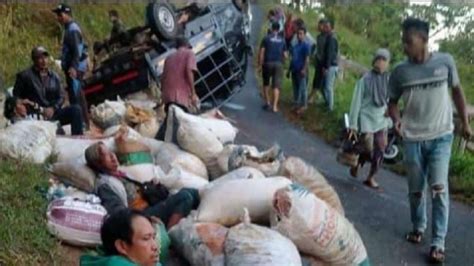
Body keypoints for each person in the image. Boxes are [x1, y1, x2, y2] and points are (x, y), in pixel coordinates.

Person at [388, 18, 472, 263]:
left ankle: (438, 243)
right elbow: (392, 102)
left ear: (424, 40)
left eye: (409, 41)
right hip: (412, 137)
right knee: (415, 191)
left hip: (441, 137)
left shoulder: (445, 62)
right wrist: (396, 120)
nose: (405, 46)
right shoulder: (400, 71)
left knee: (438, 188)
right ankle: (418, 227)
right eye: (403, 41)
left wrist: (465, 123)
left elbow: (457, 91)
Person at [85, 139, 199, 229]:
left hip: (151, 206)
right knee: (184, 197)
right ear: (98, 163)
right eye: (106, 155)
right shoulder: (105, 184)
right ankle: (169, 238)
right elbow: (118, 211)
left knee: (192, 192)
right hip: (141, 216)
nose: (112, 157)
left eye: (111, 153)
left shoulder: (120, 174)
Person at [12, 46, 84, 135]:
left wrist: (53, 108)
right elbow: (16, 97)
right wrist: (28, 107)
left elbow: (61, 96)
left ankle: (77, 140)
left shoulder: (54, 76)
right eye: (40, 58)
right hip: (36, 116)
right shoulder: (25, 76)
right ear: (34, 60)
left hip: (52, 113)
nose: (44, 60)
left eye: (45, 57)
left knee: (76, 110)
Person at [348, 48, 391, 190]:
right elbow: (356, 101)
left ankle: (371, 177)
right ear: (374, 61)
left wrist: (390, 113)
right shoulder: (365, 79)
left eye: (384, 60)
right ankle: (358, 163)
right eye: (379, 59)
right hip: (366, 116)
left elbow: (392, 100)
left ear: (387, 63)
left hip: (381, 118)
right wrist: (353, 124)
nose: (381, 62)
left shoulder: (389, 80)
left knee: (380, 148)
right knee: (367, 145)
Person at [53, 3, 90, 128]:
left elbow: (77, 51)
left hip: (75, 69)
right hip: (72, 68)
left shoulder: (72, 29)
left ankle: (83, 124)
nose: (58, 17)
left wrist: (73, 67)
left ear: (67, 14)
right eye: (57, 15)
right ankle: (84, 123)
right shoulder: (68, 28)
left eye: (60, 14)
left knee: (76, 97)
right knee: (77, 95)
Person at [80, 209, 161, 266]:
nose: (155, 247)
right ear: (122, 246)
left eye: (153, 237)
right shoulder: (116, 264)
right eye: (146, 238)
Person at [155, 36, 198, 140]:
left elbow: (163, 78)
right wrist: (193, 93)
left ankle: (159, 141)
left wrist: (162, 96)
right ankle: (159, 141)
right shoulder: (189, 53)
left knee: (171, 120)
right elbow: (189, 71)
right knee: (181, 125)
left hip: (168, 96)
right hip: (179, 97)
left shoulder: (168, 58)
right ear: (187, 45)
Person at [258, 22, 288, 112]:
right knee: (276, 86)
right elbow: (285, 55)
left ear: (271, 28)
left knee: (266, 84)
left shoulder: (266, 38)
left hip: (268, 63)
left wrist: (260, 64)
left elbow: (262, 52)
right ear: (279, 30)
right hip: (278, 64)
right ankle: (275, 107)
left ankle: (267, 103)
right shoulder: (282, 40)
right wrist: (283, 63)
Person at [288, 27, 311, 115]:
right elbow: (293, 58)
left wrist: (304, 69)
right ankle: (296, 104)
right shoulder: (295, 46)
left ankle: (304, 105)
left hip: (301, 70)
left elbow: (307, 59)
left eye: (301, 34)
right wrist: (289, 70)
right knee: (295, 88)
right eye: (298, 34)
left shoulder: (306, 45)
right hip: (294, 70)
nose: (299, 35)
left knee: (303, 88)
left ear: (304, 35)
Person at [320, 19, 339, 111]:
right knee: (323, 86)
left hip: (331, 66)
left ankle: (330, 107)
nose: (325, 28)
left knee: (328, 87)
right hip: (329, 65)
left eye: (327, 27)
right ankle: (327, 103)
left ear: (331, 28)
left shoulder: (331, 38)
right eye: (324, 26)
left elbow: (330, 54)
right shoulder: (329, 37)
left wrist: (326, 67)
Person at [309, 19, 328, 103]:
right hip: (318, 61)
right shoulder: (319, 37)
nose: (318, 27)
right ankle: (313, 96)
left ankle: (314, 97)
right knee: (316, 80)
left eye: (320, 25)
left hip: (324, 63)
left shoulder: (328, 37)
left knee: (322, 83)